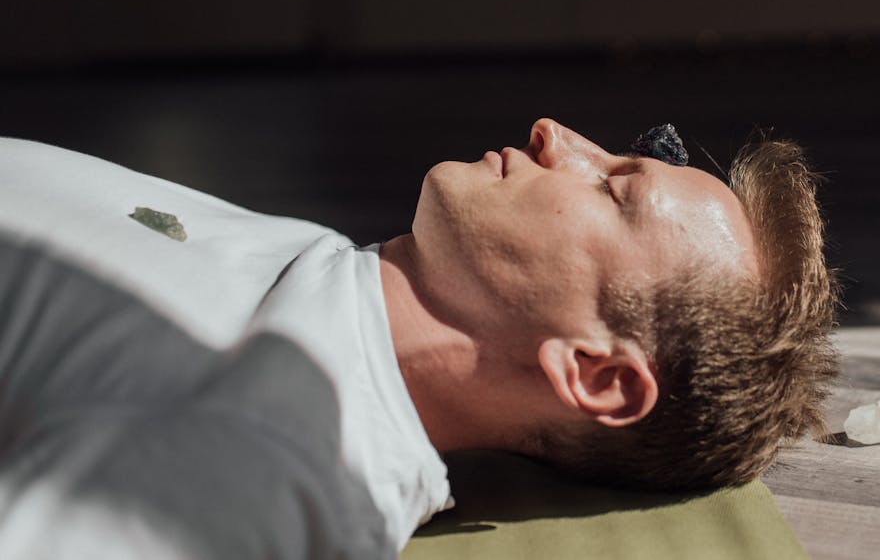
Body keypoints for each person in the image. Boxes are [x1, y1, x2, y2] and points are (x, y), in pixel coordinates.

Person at [0, 119, 837, 559]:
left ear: (594, 372)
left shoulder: (283, 451)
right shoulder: (337, 287)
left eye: (616, 188)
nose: (555, 136)